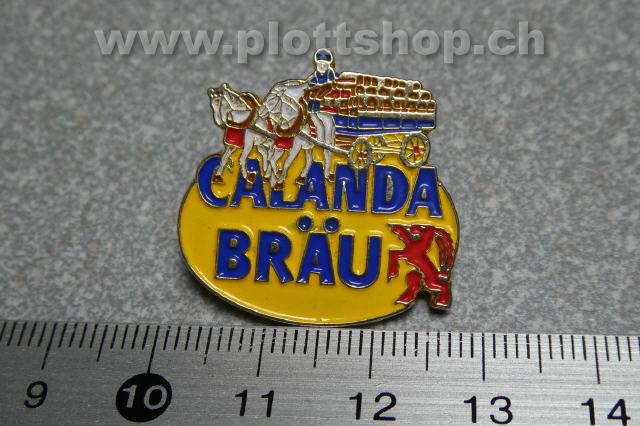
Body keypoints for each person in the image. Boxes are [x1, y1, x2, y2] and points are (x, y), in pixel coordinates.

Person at [306, 49, 339, 181]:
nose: (322, 66)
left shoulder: (331, 77)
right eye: (320, 63)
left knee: (326, 125)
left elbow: (331, 88)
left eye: (324, 64)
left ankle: (324, 145)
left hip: (324, 109)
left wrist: (317, 92)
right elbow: (306, 88)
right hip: (311, 110)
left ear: (328, 65)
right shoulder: (312, 78)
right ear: (316, 63)